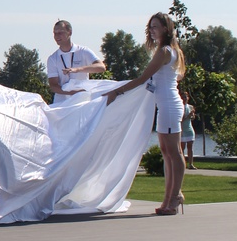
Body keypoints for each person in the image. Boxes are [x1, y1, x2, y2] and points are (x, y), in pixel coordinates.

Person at [106, 12, 186, 215]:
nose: (152, 30)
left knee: (174, 152)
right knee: (166, 153)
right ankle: (168, 199)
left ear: (166, 29)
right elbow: (175, 77)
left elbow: (142, 79)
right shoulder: (170, 51)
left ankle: (175, 196)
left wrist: (117, 92)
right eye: (150, 27)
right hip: (165, 105)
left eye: (155, 27)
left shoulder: (165, 51)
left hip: (169, 105)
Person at [46, 20, 107, 104]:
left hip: (82, 101)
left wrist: (77, 69)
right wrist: (72, 92)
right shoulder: (53, 58)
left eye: (60, 33)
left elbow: (101, 67)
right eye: (55, 33)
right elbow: (53, 86)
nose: (57, 36)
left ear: (69, 32)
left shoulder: (83, 51)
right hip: (61, 103)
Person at [180, 89, 197, 170]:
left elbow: (192, 118)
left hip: (189, 129)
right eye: (183, 97)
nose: (185, 98)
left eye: (186, 97)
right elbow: (180, 120)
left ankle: (191, 164)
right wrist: (188, 116)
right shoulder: (180, 107)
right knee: (182, 148)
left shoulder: (190, 107)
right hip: (182, 130)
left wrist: (192, 115)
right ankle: (182, 164)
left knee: (190, 147)